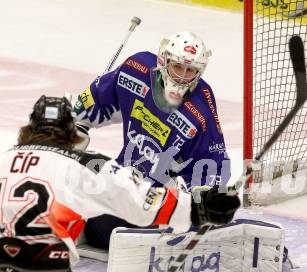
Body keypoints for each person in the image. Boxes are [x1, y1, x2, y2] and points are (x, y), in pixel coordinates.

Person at [0, 96, 240, 272]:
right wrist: (200, 207)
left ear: (29, 129)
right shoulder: (84, 164)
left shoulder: (3, 160)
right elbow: (141, 202)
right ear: (72, 132)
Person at [73, 31, 232, 248]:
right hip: (124, 184)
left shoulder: (199, 110)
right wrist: (68, 126)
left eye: (191, 70)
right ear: (163, 60)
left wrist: (204, 203)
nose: (182, 77)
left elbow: (212, 166)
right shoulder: (135, 69)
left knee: (102, 216)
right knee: (79, 165)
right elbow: (93, 101)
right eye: (177, 67)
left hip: (155, 205)